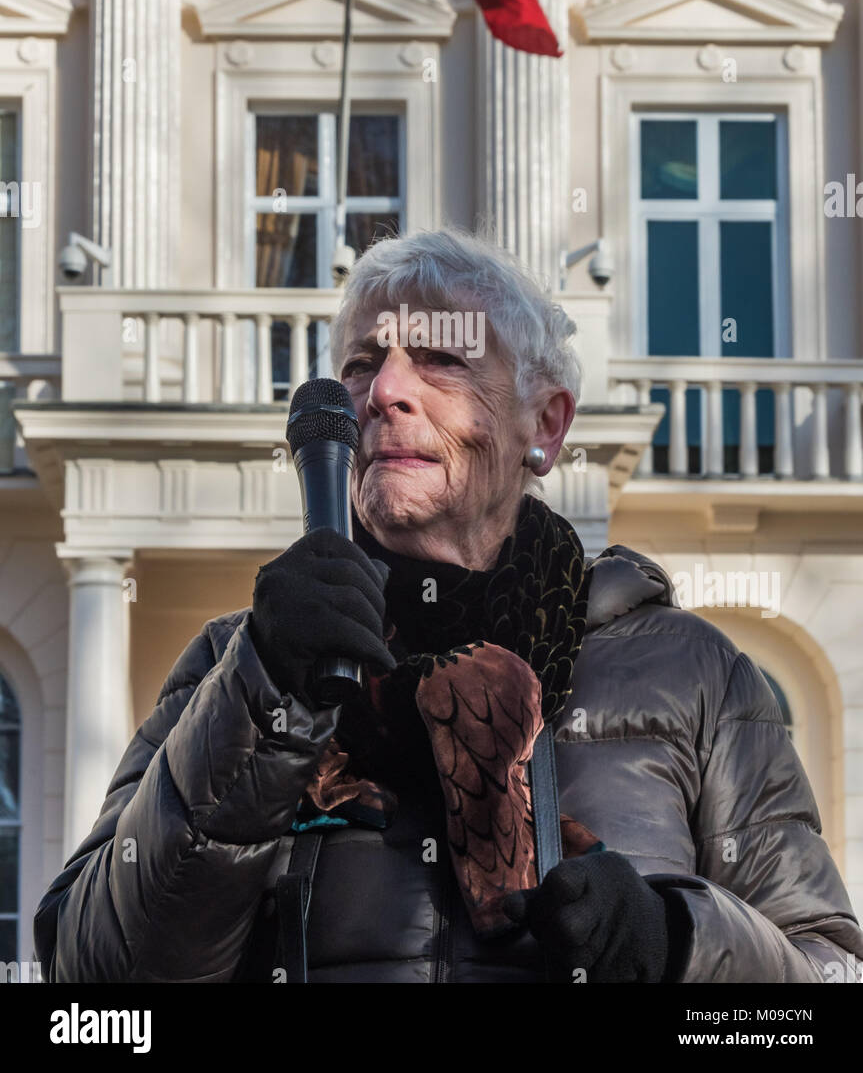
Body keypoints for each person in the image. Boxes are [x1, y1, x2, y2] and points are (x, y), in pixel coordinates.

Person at [35, 228, 863, 983]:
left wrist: (677, 940)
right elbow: (97, 980)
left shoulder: (692, 673)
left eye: (441, 358)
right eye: (360, 364)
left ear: (545, 424)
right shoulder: (239, 663)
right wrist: (263, 694)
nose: (386, 390)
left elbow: (822, 976)